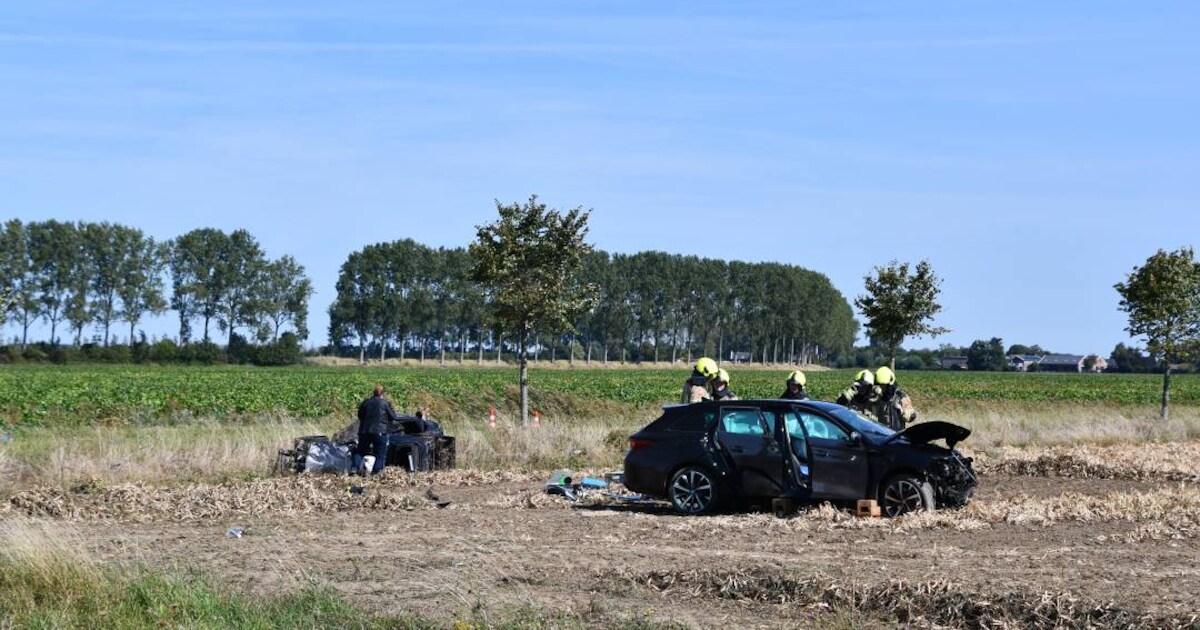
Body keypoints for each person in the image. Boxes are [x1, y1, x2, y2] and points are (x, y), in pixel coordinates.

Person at [356, 385, 400, 475]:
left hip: (364, 431)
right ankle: (376, 472)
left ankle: (354, 468)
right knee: (380, 454)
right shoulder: (384, 403)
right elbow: (393, 417)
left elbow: (360, 416)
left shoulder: (365, 402)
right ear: (382, 394)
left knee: (360, 451)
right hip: (379, 431)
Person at [872, 366, 918, 431]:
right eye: (879, 385)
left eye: (883, 385)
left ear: (890, 384)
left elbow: (912, 416)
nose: (881, 387)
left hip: (897, 436)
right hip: (882, 436)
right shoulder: (879, 398)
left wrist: (902, 412)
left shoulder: (901, 397)